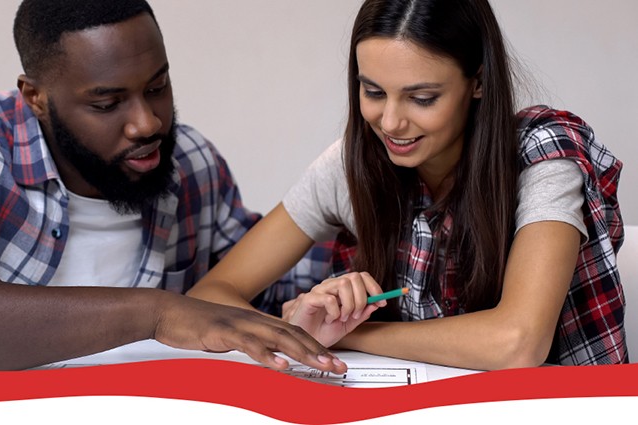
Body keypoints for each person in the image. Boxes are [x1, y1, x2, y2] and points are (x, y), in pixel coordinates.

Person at [0, 0, 346, 373]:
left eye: (157, 87)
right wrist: (155, 313)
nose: (147, 123)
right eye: (107, 104)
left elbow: (265, 280)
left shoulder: (189, 162)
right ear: (35, 97)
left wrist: (363, 259)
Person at [188, 0, 626, 370]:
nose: (391, 123)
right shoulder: (354, 163)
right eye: (373, 92)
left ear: (478, 82)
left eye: (422, 98)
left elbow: (518, 342)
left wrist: (348, 337)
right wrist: (296, 333)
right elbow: (209, 296)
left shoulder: (541, 151)